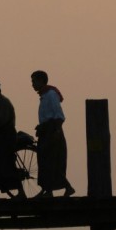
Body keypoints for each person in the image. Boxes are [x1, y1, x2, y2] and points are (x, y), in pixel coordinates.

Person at [30, 70, 75, 198]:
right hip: (46, 131)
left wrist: (56, 130)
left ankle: (58, 189)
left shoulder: (50, 94)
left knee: (52, 161)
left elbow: (59, 115)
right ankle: (47, 190)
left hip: (53, 131)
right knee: (45, 161)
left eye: (34, 81)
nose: (32, 84)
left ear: (41, 81)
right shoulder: (45, 95)